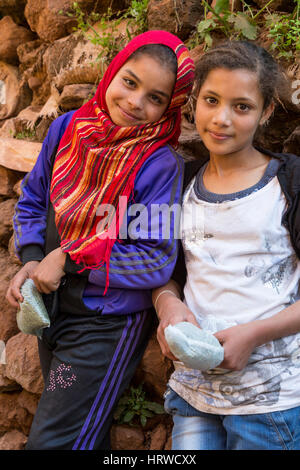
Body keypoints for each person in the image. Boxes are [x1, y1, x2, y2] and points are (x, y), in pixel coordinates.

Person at [6, 30, 194, 450]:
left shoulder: (158, 165)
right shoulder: (67, 129)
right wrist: (33, 260)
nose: (135, 103)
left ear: (171, 106)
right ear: (112, 72)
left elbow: (154, 258)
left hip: (102, 327)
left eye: (156, 98)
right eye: (130, 82)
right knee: (78, 434)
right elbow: (34, 198)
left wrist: (68, 259)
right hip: (52, 313)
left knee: (55, 442)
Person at [152, 40, 300, 451]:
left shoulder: (288, 183)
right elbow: (163, 271)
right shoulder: (176, 184)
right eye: (212, 100)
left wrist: (254, 334)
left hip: (272, 402)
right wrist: (168, 306)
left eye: (242, 106)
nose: (221, 119)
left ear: (266, 111)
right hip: (193, 394)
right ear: (194, 99)